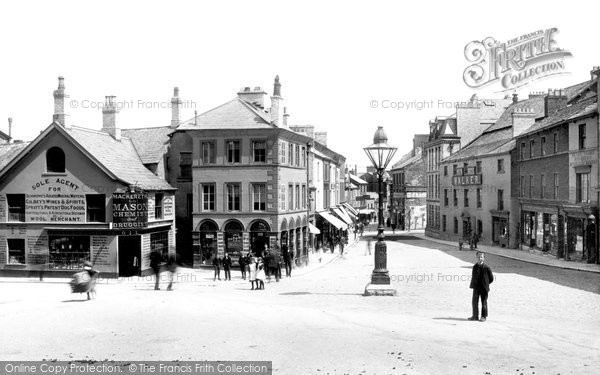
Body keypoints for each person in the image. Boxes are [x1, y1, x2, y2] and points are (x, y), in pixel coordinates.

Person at [468, 251, 494, 322]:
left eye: (481, 257)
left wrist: (486, 284)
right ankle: (475, 316)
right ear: (476, 257)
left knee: (484, 302)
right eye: (478, 257)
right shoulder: (475, 267)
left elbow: (491, 278)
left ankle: (483, 316)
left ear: (484, 258)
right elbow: (473, 277)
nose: (480, 258)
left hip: (484, 288)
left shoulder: (487, 268)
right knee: (474, 302)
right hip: (476, 288)